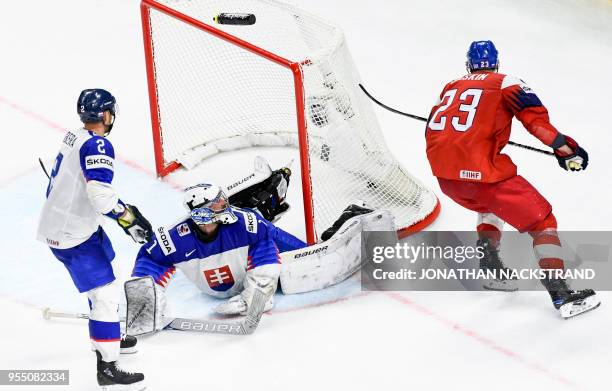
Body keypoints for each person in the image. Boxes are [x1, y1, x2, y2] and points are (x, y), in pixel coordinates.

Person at [424, 41, 599, 318]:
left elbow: (434, 128)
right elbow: (537, 123)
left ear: (468, 64)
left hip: (447, 178)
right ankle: (561, 293)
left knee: (488, 206)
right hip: (485, 175)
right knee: (542, 223)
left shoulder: (451, 86)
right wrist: (566, 149)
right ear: (497, 62)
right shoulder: (506, 82)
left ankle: (491, 268)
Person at [37, 89, 151, 389]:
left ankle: (107, 333)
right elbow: (100, 196)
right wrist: (129, 218)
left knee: (106, 277)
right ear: (107, 115)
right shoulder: (98, 143)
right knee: (105, 295)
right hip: (72, 234)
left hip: (78, 225)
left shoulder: (75, 135)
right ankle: (108, 369)